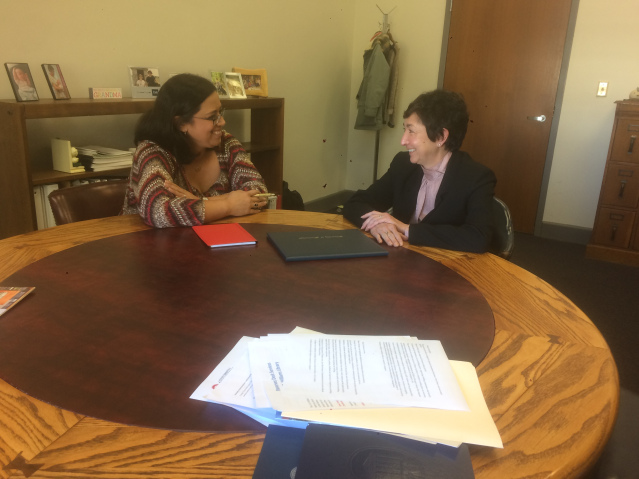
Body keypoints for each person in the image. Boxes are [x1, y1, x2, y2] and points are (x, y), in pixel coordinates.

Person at [343, 89, 496, 253]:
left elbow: (479, 237)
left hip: (448, 269)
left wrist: (407, 229)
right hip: (400, 261)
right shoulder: (403, 165)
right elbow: (355, 203)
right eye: (405, 129)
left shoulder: (476, 177)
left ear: (440, 137)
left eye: (411, 131)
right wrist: (378, 223)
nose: (403, 141)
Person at [122, 73, 268, 227]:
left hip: (213, 242)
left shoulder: (226, 143)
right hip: (148, 244)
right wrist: (229, 205)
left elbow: (259, 193)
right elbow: (157, 211)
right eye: (213, 116)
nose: (222, 121)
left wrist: (198, 202)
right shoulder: (152, 152)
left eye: (221, 112)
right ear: (181, 123)